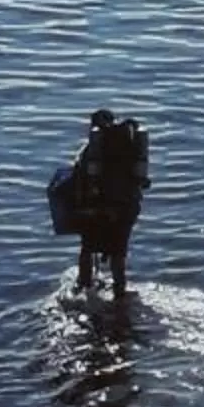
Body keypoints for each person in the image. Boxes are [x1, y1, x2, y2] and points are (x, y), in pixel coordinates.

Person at [70, 108, 150, 300]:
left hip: (96, 208)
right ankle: (119, 291)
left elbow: (79, 179)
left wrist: (80, 206)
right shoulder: (130, 149)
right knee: (118, 252)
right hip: (126, 208)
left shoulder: (90, 152)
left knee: (88, 248)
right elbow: (142, 181)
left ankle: (83, 286)